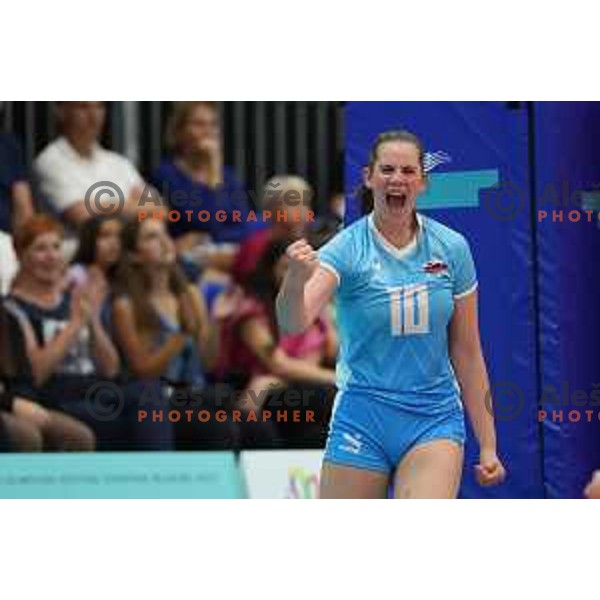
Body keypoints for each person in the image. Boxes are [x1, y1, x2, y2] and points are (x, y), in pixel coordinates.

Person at [277, 129, 506, 498]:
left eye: (407, 171)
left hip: (433, 416)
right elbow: (293, 322)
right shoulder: (347, 247)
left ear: (422, 182)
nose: (396, 179)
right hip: (362, 414)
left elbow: (467, 350)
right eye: (387, 170)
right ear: (369, 177)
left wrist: (489, 444)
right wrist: (293, 280)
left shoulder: (451, 247)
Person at [2, 215, 115, 450]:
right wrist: (74, 325)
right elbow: (35, 374)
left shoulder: (75, 299)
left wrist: (91, 320)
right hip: (60, 392)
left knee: (147, 396)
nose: (52, 256)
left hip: (95, 387)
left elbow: (111, 369)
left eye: (56, 247)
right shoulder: (13, 309)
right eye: (41, 249)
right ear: (21, 255)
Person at [112, 218, 226, 450]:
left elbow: (207, 362)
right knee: (218, 427)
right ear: (134, 255)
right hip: (160, 399)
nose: (164, 241)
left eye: (165, 233)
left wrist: (216, 320)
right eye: (151, 237)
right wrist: (181, 336)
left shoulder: (191, 294)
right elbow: (143, 369)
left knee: (253, 422)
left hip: (198, 391)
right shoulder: (127, 305)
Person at [219, 239, 337, 447]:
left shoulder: (316, 311)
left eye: (303, 269)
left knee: (323, 428)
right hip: (256, 393)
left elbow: (319, 358)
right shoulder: (253, 310)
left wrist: (324, 305)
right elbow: (279, 365)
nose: (294, 275)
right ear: (270, 270)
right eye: (286, 267)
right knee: (329, 397)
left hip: (285, 387)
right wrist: (338, 379)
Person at [150, 102, 259, 261]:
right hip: (188, 262)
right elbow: (208, 220)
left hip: (227, 256)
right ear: (179, 132)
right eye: (199, 124)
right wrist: (214, 170)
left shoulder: (229, 177)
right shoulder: (167, 174)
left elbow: (244, 227)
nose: (208, 131)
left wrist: (207, 238)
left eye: (213, 124)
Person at [34, 102, 156, 227]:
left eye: (99, 107)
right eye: (83, 107)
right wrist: (132, 206)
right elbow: (82, 216)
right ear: (61, 112)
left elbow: (160, 211)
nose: (93, 115)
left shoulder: (119, 162)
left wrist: (99, 206)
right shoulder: (50, 162)